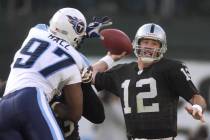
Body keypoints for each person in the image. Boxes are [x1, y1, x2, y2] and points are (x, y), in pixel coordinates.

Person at [0, 7, 116, 140]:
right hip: (31, 99)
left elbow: (55, 37)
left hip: (4, 105)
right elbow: (75, 114)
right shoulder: (75, 60)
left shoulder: (36, 31)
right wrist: (56, 107)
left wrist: (81, 32)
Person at [85, 23, 207, 139]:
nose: (149, 46)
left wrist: (198, 108)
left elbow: (196, 97)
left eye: (154, 43)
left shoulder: (172, 68)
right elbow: (88, 74)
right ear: (137, 43)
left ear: (161, 47)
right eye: (145, 42)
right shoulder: (122, 71)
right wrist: (110, 58)